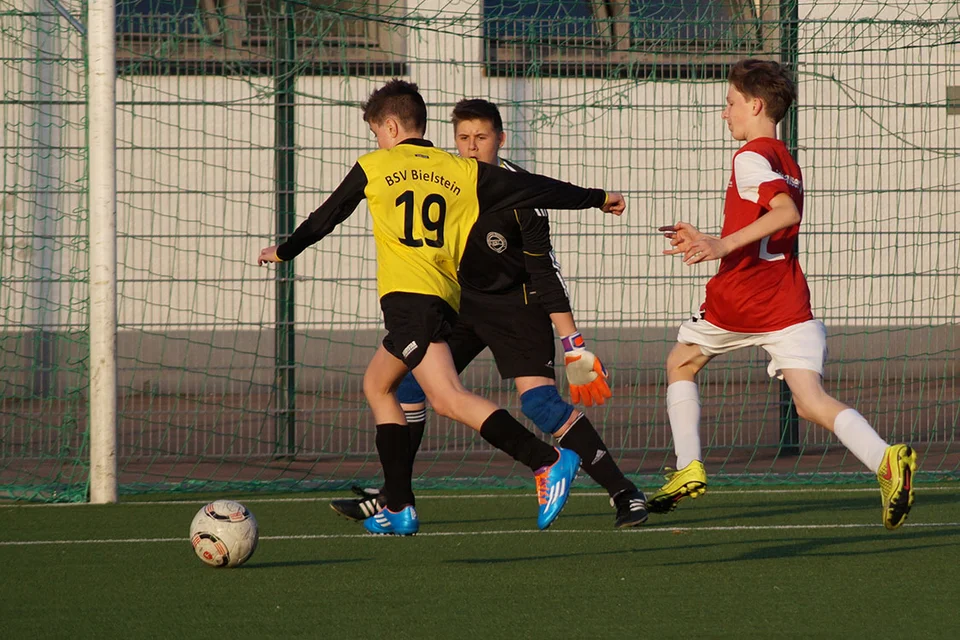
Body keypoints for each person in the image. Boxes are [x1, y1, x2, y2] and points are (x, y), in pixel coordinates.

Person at [257, 80, 626, 535]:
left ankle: (545, 459)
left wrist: (285, 251)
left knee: (447, 398)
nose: (376, 140)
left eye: (376, 131)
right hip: (444, 301)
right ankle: (399, 505)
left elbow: (325, 217)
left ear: (390, 126)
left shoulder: (375, 165)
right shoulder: (458, 170)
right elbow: (533, 188)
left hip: (410, 301)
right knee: (379, 385)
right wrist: (598, 197)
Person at [648, 59, 917, 530]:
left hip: (742, 298)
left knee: (680, 363)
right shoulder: (785, 160)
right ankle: (886, 459)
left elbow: (784, 213)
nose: (724, 112)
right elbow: (774, 218)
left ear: (754, 105)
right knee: (811, 402)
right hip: (788, 302)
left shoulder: (749, 156)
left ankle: (689, 464)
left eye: (730, 103)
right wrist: (714, 235)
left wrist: (720, 244)